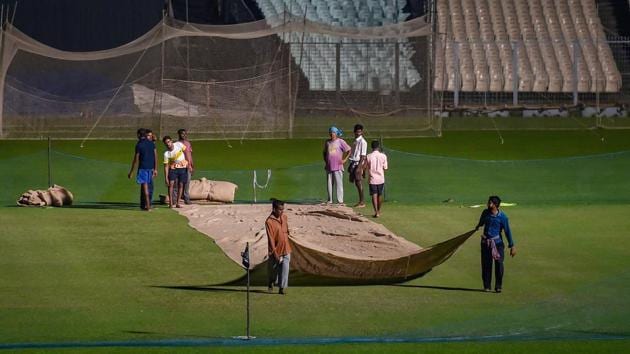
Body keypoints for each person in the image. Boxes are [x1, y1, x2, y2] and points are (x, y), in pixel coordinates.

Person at [475, 195, 517, 293]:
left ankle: (498, 286)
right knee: (486, 265)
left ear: (495, 205)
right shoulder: (485, 213)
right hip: (485, 243)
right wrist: (477, 226)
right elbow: (481, 222)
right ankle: (487, 286)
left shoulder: (503, 218)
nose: (488, 204)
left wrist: (512, 246)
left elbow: (507, 232)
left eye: (490, 203)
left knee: (499, 265)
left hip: (498, 244)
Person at [265, 199, 292, 295]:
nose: (282, 211)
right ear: (274, 209)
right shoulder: (269, 222)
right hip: (275, 250)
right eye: (280, 209)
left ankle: (282, 288)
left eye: (283, 209)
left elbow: (286, 230)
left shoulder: (284, 217)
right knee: (273, 271)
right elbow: (270, 239)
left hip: (286, 248)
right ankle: (271, 282)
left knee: (285, 269)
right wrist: (275, 253)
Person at [127, 128, 157, 211]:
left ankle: (148, 206)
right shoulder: (151, 143)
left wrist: (131, 172)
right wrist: (155, 168)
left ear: (139, 135)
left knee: (145, 187)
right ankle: (147, 205)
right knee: (148, 187)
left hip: (143, 168)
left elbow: (135, 160)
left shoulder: (139, 145)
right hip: (150, 168)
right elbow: (155, 156)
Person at [323, 126, 351, 205]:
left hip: (338, 166)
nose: (332, 134)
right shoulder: (327, 142)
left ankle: (340, 201)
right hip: (329, 166)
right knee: (329, 183)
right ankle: (330, 200)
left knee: (339, 184)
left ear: (336, 133)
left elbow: (349, 150)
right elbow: (324, 152)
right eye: (331, 132)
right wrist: (326, 160)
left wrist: (344, 160)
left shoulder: (340, 141)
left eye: (333, 132)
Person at [162, 135, 190, 208]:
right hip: (173, 169)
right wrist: (166, 178)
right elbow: (166, 166)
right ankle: (171, 203)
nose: (168, 144)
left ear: (171, 141)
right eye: (166, 143)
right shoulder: (166, 153)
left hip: (183, 167)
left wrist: (189, 164)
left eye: (168, 142)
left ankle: (178, 203)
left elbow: (187, 152)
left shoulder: (178, 144)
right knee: (171, 184)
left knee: (181, 185)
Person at [366, 140, 388, 218]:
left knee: (374, 195)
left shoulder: (368, 156)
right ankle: (378, 211)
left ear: (372, 147)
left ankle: (376, 211)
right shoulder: (383, 156)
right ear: (378, 147)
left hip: (372, 178)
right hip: (381, 178)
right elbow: (385, 168)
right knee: (380, 194)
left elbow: (366, 166)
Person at [172, 128, 194, 205]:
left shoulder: (188, 144)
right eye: (182, 134)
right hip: (179, 166)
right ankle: (174, 199)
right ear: (178, 134)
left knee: (187, 183)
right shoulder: (175, 144)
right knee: (176, 183)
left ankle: (186, 198)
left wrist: (192, 166)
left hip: (188, 166)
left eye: (185, 134)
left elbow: (190, 155)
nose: (183, 135)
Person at [348, 124, 368, 208]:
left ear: (362, 132)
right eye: (357, 132)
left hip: (358, 163)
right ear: (354, 132)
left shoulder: (363, 142)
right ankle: (360, 201)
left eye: (360, 132)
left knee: (359, 182)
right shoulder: (355, 140)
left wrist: (359, 168)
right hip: (353, 162)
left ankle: (362, 202)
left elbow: (363, 156)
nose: (358, 133)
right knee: (355, 182)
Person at [145, 129, 157, 205]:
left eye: (150, 135)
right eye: (148, 135)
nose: (149, 137)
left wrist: (155, 169)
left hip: (151, 168)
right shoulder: (145, 144)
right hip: (146, 168)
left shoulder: (152, 144)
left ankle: (148, 203)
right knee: (148, 187)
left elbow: (155, 157)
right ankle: (147, 203)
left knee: (150, 187)